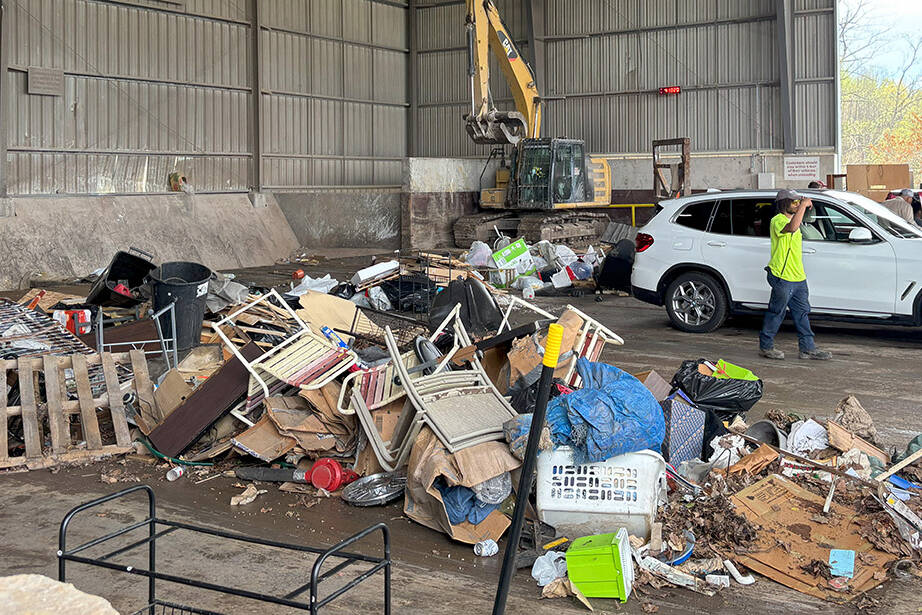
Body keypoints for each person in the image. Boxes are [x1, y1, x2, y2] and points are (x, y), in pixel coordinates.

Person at [759, 189, 832, 361]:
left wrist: (805, 206)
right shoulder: (777, 221)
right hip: (782, 276)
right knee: (776, 312)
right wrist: (804, 205)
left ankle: (807, 348)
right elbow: (792, 228)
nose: (797, 205)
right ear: (784, 203)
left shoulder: (796, 220)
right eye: (794, 202)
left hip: (798, 277)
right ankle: (766, 346)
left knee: (802, 313)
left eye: (798, 202)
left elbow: (797, 223)